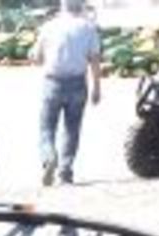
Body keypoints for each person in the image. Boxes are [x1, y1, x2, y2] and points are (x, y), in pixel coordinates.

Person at [30, 0, 103, 186]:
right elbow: (94, 60)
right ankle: (65, 172)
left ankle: (48, 157)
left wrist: (34, 56)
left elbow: (37, 58)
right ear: (81, 7)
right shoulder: (89, 28)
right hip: (78, 83)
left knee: (47, 128)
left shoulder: (48, 27)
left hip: (53, 82)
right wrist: (97, 88)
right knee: (72, 129)